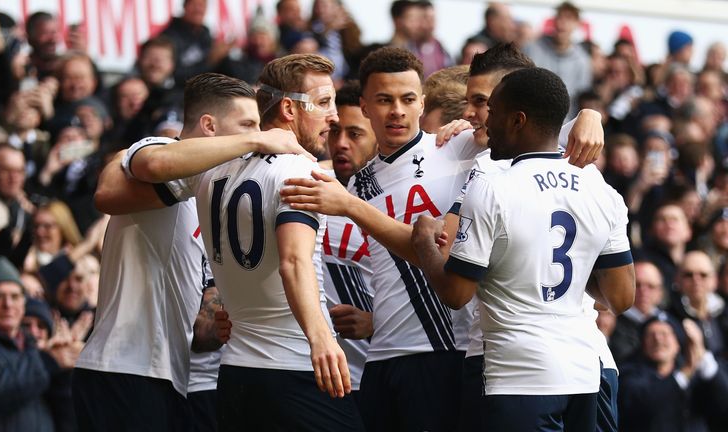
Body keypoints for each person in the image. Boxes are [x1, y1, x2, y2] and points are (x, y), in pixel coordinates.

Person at [281, 43, 605, 432]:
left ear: (422, 103)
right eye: (384, 100)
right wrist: (374, 319)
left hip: (445, 350)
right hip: (381, 357)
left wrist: (589, 114)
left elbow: (546, 129)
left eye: (407, 99)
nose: (397, 110)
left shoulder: (462, 146)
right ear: (365, 106)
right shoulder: (359, 183)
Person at [125, 60, 363, 430]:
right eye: (325, 103)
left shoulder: (213, 169)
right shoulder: (297, 170)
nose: (332, 117)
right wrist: (321, 340)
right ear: (289, 108)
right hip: (296, 364)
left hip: (235, 371)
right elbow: (294, 263)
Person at [74, 72, 309, 431]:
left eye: (257, 127)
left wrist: (220, 323)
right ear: (209, 126)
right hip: (124, 368)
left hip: (164, 375)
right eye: (246, 125)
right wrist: (260, 140)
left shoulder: (210, 197)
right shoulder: (160, 150)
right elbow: (147, 167)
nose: (255, 136)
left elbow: (200, 331)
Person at [410, 67, 635, 432]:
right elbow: (621, 297)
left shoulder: (493, 186)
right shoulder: (601, 189)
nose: (486, 122)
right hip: (584, 373)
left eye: (493, 112)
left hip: (516, 376)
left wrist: (423, 245)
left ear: (517, 120)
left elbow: (456, 292)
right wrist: (574, 271)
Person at [0, 257, 80, 431]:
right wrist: (48, 362)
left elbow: (66, 414)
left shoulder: (34, 347)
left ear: (24, 304)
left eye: (15, 296)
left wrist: (64, 374)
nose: (8, 304)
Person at [321, 81, 378, 407]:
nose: (340, 143)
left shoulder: (395, 199)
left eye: (354, 134)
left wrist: (376, 323)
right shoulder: (305, 185)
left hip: (376, 373)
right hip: (316, 377)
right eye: (334, 131)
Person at [523, 2, 592, 117]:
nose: (562, 22)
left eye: (568, 18)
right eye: (559, 17)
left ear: (577, 24)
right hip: (531, 118)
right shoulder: (532, 48)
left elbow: (583, 97)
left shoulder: (582, 61)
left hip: (564, 123)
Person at [610, 260, 666, 362]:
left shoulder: (669, 323)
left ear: (660, 292)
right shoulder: (611, 323)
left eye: (650, 286)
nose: (643, 291)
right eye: (637, 285)